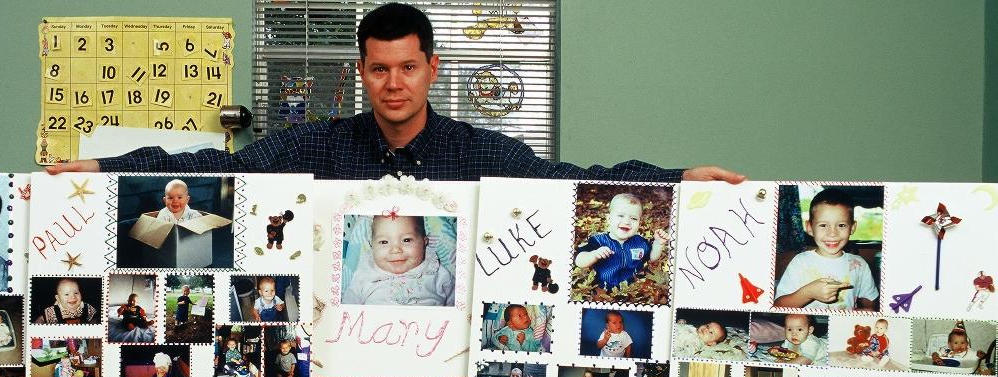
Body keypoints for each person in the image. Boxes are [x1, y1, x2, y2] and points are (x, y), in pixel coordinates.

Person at [48, 4, 744, 184]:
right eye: (379, 69)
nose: (394, 83)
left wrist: (678, 177)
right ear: (361, 72)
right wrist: (104, 168)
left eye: (407, 68)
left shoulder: (478, 151)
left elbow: (575, 180)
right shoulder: (319, 142)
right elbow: (216, 167)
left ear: (432, 69)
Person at [774, 188, 879, 310]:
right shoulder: (800, 262)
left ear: (852, 227)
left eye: (841, 225)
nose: (832, 233)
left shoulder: (860, 264)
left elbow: (870, 305)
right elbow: (778, 305)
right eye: (823, 225)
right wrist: (808, 293)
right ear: (809, 227)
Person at [343, 215, 453, 306]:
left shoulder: (436, 270)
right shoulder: (365, 273)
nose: (395, 250)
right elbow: (349, 305)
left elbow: (456, 302)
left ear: (424, 242)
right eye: (384, 242)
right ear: (372, 246)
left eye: (406, 240)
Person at [575, 193, 670, 290]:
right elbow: (579, 261)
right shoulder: (598, 241)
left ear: (639, 223)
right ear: (609, 219)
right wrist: (594, 255)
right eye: (620, 215)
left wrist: (658, 244)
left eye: (633, 218)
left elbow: (652, 258)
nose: (627, 221)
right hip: (603, 288)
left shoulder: (640, 242)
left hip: (634, 287)